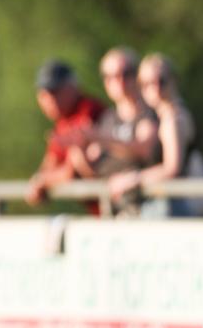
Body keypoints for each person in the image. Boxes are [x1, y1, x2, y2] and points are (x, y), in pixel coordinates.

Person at [109, 53, 203, 217]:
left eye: (161, 81)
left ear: (174, 81)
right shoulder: (164, 115)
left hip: (181, 207)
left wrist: (133, 179)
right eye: (147, 83)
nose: (154, 88)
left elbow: (172, 168)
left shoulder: (173, 118)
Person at [66, 47, 159, 216]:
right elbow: (94, 171)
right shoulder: (108, 118)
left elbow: (144, 150)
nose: (119, 81)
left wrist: (99, 138)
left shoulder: (151, 113)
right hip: (117, 211)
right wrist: (77, 150)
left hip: (148, 210)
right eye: (111, 76)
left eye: (126, 73)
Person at [26, 59, 104, 209]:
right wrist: (40, 179)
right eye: (44, 94)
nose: (49, 100)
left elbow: (69, 173)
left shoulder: (88, 111)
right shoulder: (63, 123)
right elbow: (49, 166)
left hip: (120, 211)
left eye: (55, 91)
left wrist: (42, 181)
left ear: (73, 87)